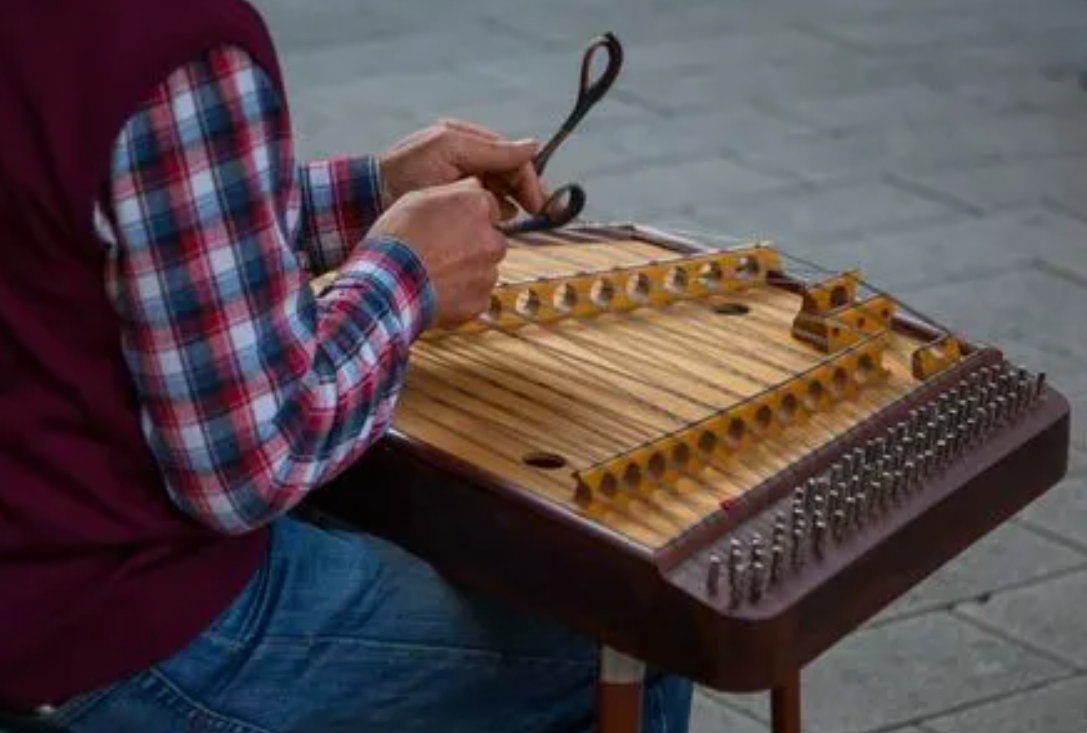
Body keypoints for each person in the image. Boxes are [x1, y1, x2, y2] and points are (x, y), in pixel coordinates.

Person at [0, 0, 693, 731]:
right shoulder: (168, 33)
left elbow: (127, 219)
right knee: (633, 639)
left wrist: (372, 192)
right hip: (104, 631)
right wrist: (409, 273)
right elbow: (253, 462)